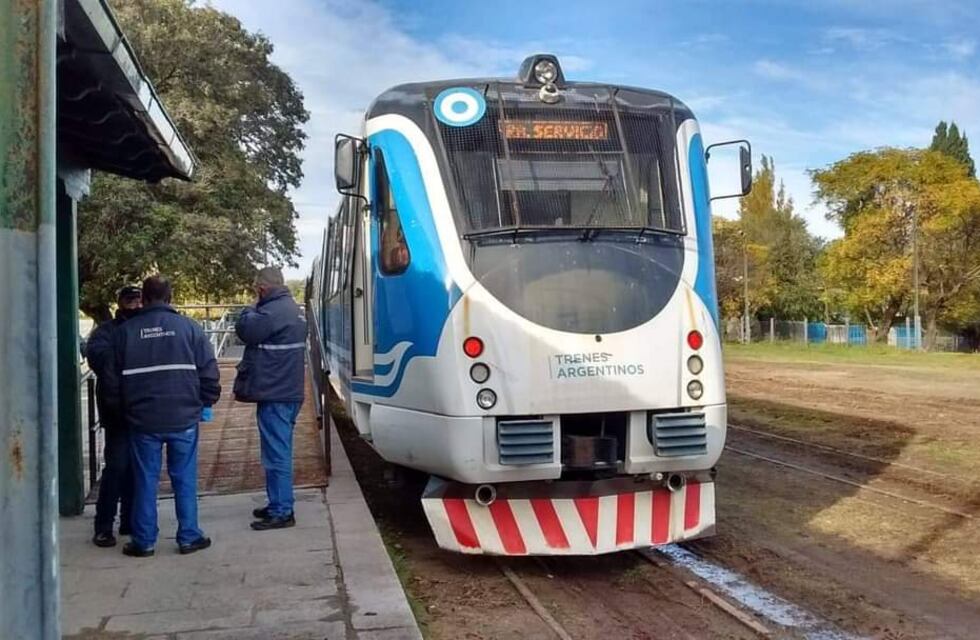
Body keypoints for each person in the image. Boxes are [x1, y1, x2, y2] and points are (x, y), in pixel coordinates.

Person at [104, 275, 221, 556]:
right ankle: (189, 536)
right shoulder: (189, 328)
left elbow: (111, 381)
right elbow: (209, 371)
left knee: (146, 479)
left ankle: (144, 542)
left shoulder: (125, 333)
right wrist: (206, 402)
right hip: (184, 417)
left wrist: (123, 411)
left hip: (142, 421)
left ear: (144, 298)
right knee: (184, 478)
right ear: (170, 297)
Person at [234, 266, 307, 530]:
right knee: (277, 450)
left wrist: (249, 308)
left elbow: (246, 330)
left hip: (276, 394)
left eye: (257, 291)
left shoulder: (271, 312)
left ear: (262, 289)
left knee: (277, 454)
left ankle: (282, 510)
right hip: (287, 391)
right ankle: (277, 502)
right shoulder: (291, 309)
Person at [86, 285, 142, 547]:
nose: (134, 305)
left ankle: (129, 520)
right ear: (120, 303)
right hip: (117, 412)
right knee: (117, 467)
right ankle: (104, 525)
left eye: (138, 300)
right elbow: (98, 359)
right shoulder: (106, 331)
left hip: (141, 409)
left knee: (136, 468)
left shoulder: (141, 328)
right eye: (129, 300)